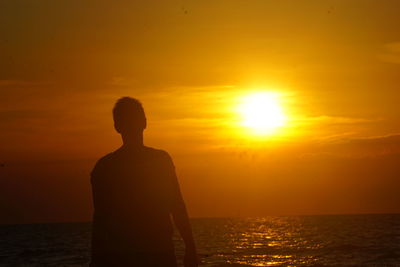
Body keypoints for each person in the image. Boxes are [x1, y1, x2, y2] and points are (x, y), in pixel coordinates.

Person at [90, 97, 198, 267]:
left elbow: (100, 222)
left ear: (117, 127)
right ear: (145, 123)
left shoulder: (105, 167)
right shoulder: (160, 161)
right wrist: (190, 247)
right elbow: (177, 206)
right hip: (153, 254)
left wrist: (96, 260)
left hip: (135, 255)